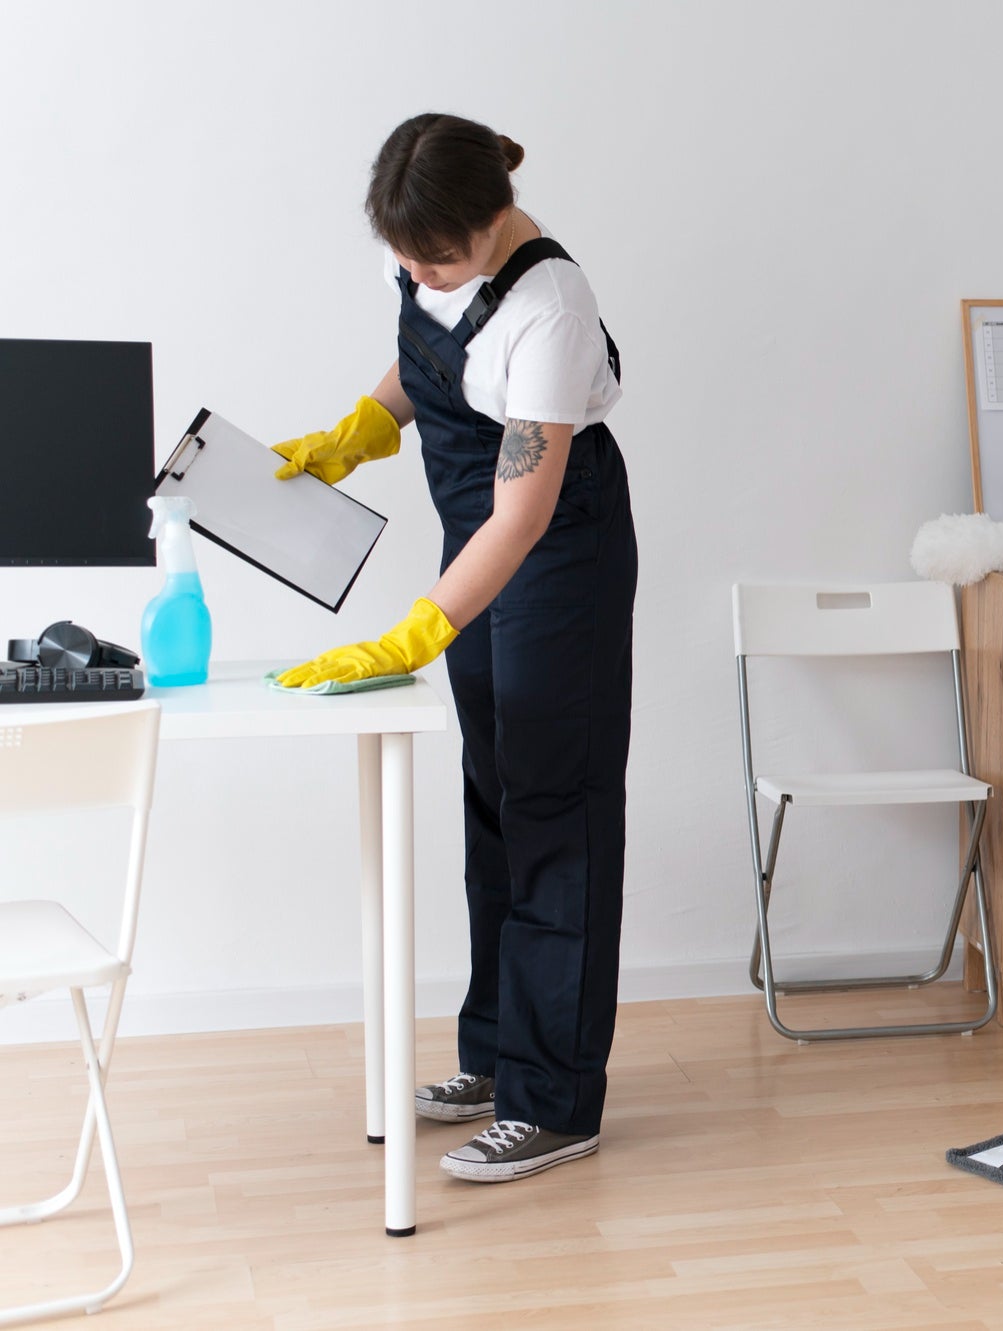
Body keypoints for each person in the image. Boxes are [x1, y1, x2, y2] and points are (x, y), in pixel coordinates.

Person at [274, 113, 638, 1182]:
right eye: (404, 257)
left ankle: (555, 1101)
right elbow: (429, 353)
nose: (418, 273)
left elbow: (521, 516)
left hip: (553, 549)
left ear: (491, 219)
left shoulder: (551, 309)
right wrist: (357, 431)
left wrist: (416, 630)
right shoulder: (432, 249)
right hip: (476, 538)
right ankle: (497, 1057)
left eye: (435, 257)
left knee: (556, 807)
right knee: (495, 797)